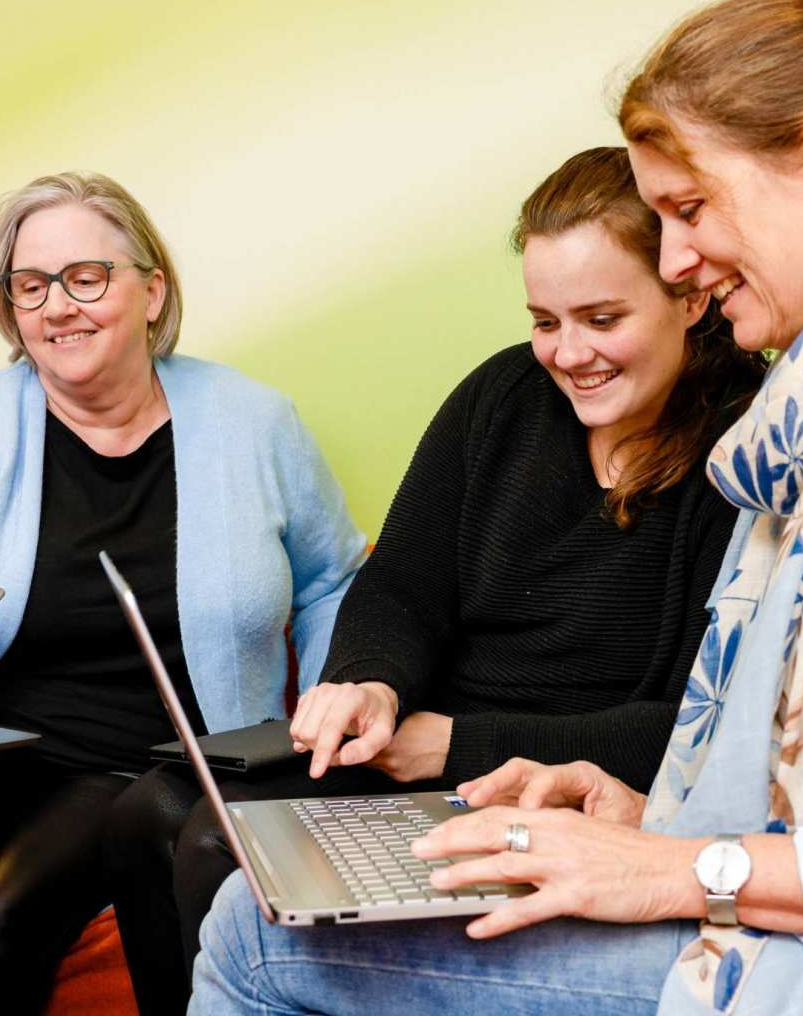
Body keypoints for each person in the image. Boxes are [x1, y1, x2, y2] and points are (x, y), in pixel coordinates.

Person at [190, 0, 803, 1014]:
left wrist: (678, 866)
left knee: (253, 937)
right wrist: (637, 817)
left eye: (689, 208)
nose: (677, 260)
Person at [109, 145, 768, 1012]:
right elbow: (401, 585)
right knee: (152, 814)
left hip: (553, 786)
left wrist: (455, 745)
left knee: (212, 846)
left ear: (688, 296)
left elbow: (696, 728)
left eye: (602, 319)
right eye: (545, 321)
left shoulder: (746, 453)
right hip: (418, 751)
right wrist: (367, 684)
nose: (569, 354)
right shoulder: (502, 398)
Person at [0, 171, 365, 1014]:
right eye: (29, 286)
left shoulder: (255, 422)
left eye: (85, 277)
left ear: (153, 289)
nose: (56, 306)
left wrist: (334, 697)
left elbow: (333, 577)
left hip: (141, 769)